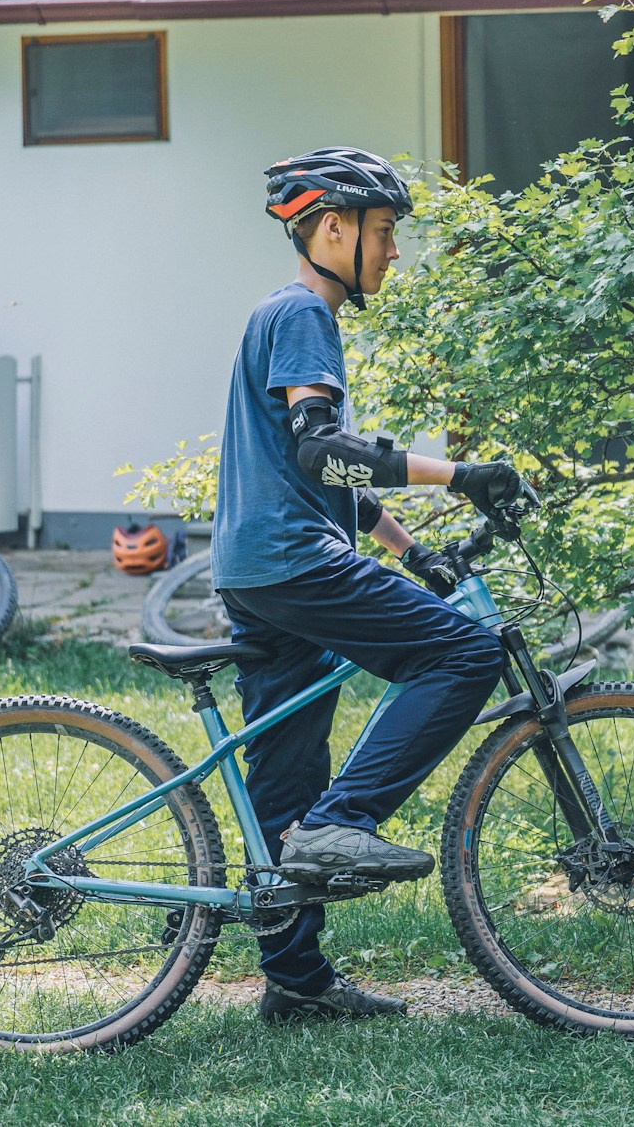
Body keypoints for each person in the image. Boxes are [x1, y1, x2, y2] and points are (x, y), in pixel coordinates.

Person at [211, 146, 525, 1023]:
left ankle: (297, 982)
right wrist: (460, 474)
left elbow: (315, 473)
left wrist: (405, 545)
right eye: (385, 233)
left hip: (257, 564)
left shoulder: (282, 314)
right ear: (333, 228)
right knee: (464, 652)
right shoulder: (306, 312)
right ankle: (343, 820)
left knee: (284, 774)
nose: (393, 252)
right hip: (292, 559)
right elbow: (324, 449)